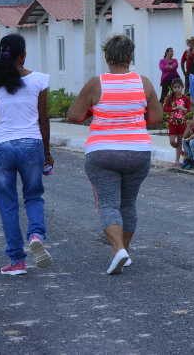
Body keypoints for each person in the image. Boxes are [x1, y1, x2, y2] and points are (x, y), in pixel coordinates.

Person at [68, 34, 163, 275]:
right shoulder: (145, 83)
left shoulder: (95, 84)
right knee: (128, 204)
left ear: (107, 57)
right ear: (131, 56)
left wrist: (95, 111)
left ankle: (118, 249)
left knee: (109, 203)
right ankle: (123, 252)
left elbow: (74, 116)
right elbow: (156, 119)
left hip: (103, 152)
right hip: (138, 152)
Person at [0, 34, 54, 276]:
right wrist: (47, 152)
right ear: (23, 55)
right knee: (33, 196)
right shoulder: (39, 80)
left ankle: (17, 261)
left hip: (2, 148)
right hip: (31, 144)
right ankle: (36, 234)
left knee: (7, 204)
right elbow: (43, 119)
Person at [163, 78, 191, 165]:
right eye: (175, 87)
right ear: (172, 88)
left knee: (179, 141)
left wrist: (183, 109)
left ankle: (177, 160)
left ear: (182, 87)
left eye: (179, 87)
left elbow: (189, 110)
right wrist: (174, 108)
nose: (177, 89)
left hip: (182, 123)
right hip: (172, 123)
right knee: (172, 141)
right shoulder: (170, 98)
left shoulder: (186, 99)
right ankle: (180, 151)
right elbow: (165, 108)